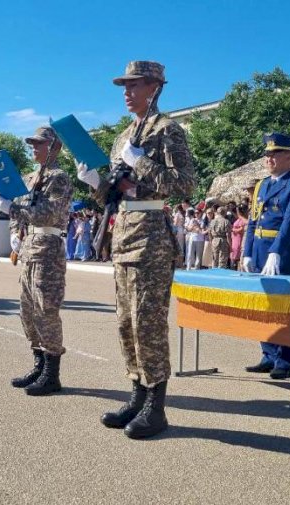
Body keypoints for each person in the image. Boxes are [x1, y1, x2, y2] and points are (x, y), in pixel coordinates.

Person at [76, 60, 194, 439]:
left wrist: (140, 161)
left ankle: (156, 408)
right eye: (124, 86)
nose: (127, 92)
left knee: (148, 322)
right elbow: (114, 191)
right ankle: (137, 395)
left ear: (155, 87)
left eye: (134, 85)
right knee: (126, 321)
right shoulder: (124, 135)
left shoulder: (167, 130)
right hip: (124, 233)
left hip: (152, 237)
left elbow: (184, 184)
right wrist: (95, 180)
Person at [0, 126, 73, 395]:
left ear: (54, 147)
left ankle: (52, 374)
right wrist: (14, 231)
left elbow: (47, 213)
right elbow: (22, 213)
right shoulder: (30, 178)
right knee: (27, 311)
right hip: (29, 247)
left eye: (39, 144)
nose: (34, 148)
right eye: (32, 144)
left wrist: (13, 208)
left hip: (48, 248)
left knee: (46, 311)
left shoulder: (58, 177)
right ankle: (39, 365)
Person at [243, 132, 290, 379]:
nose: (269, 158)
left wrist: (275, 252)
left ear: (289, 157)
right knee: (265, 307)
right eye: (267, 154)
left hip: (282, 253)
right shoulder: (261, 184)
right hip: (260, 250)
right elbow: (252, 221)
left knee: (285, 307)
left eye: (275, 154)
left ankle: (285, 360)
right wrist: (248, 252)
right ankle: (268, 354)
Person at [230, 204, 248, 269]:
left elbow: (242, 229)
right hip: (234, 238)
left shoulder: (243, 219)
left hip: (239, 238)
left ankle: (236, 268)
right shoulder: (239, 219)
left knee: (237, 254)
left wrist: (232, 229)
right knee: (234, 254)